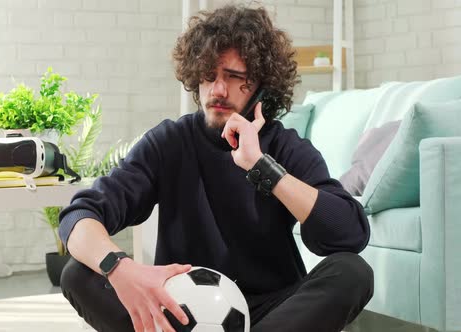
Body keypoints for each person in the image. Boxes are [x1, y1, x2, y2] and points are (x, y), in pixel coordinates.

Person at [58, 5, 373, 332]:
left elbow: (349, 233)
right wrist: (118, 267)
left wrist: (263, 166)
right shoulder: (169, 142)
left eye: (234, 77)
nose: (218, 89)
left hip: (271, 313)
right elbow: (80, 214)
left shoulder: (284, 146)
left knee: (353, 272)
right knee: (78, 273)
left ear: (261, 87)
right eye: (209, 75)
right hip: (177, 312)